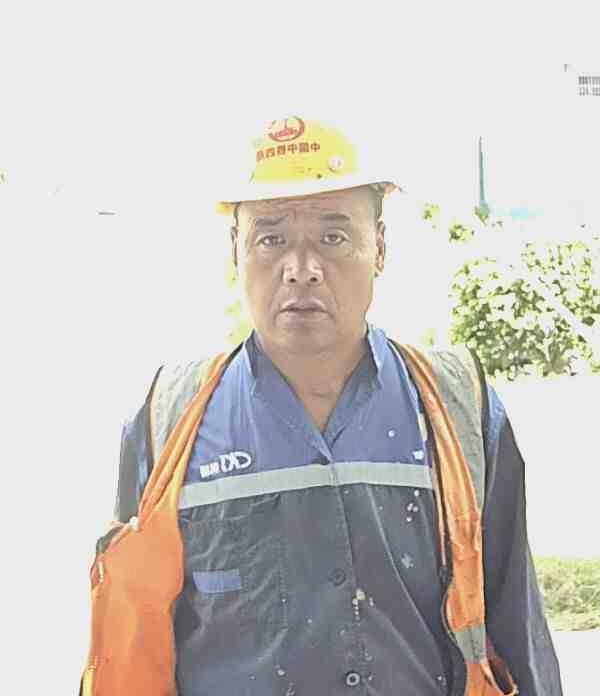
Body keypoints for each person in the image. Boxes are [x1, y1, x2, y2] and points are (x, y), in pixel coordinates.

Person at [82, 117, 563, 696]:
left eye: (333, 237)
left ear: (379, 247)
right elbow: (131, 635)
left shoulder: (458, 410)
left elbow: (517, 631)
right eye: (271, 239)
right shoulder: (167, 421)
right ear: (236, 251)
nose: (301, 269)